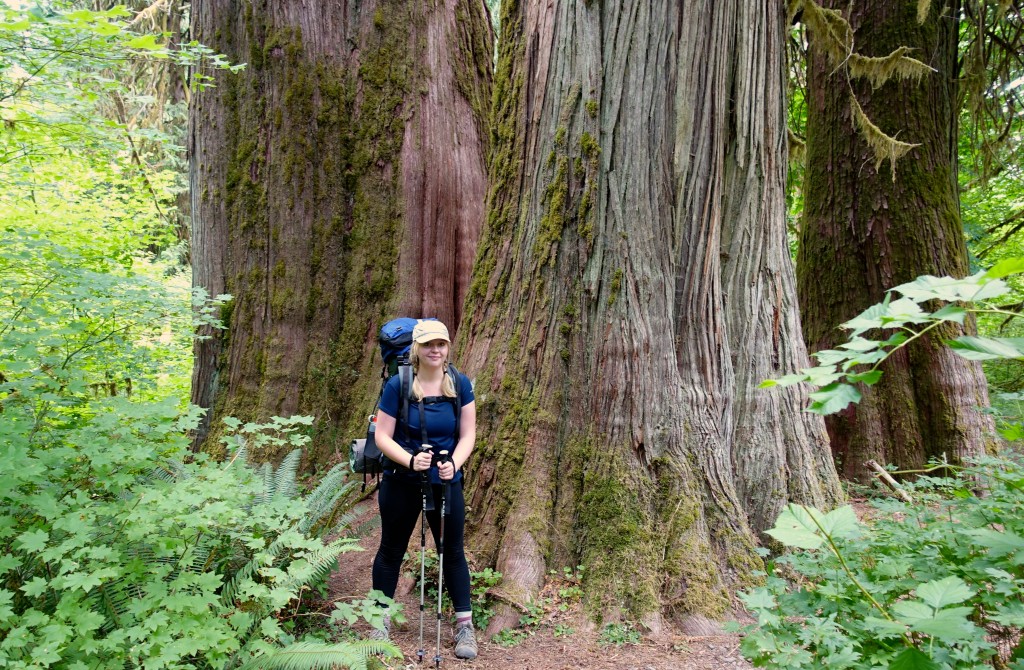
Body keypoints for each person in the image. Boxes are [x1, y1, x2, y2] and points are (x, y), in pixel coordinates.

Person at [370, 319, 478, 660]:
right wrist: (410, 460)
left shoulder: (459, 384)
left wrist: (454, 464)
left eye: (441, 344)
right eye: (429, 344)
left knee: (453, 551)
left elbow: (468, 434)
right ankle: (378, 621)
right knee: (391, 550)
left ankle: (465, 627)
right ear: (417, 348)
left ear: (448, 348)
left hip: (445, 482)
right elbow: (382, 436)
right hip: (401, 481)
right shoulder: (398, 385)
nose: (435, 350)